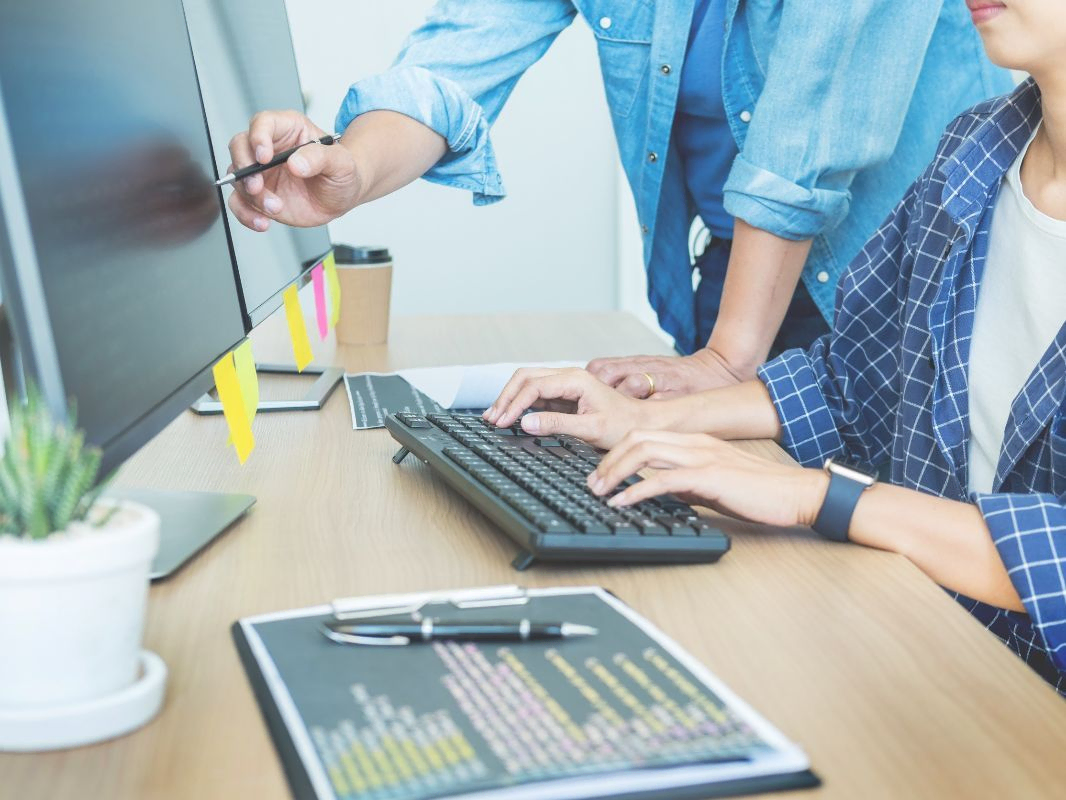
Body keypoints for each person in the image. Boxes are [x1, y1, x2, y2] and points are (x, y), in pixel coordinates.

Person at [482, 0, 1066, 695]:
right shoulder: (974, 156)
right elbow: (853, 381)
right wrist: (649, 420)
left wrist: (815, 496)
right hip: (929, 661)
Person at [226, 2, 1010, 398]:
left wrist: (728, 360)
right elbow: (458, 57)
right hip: (740, 278)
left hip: (917, 285)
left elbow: (808, 133)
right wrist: (351, 169)